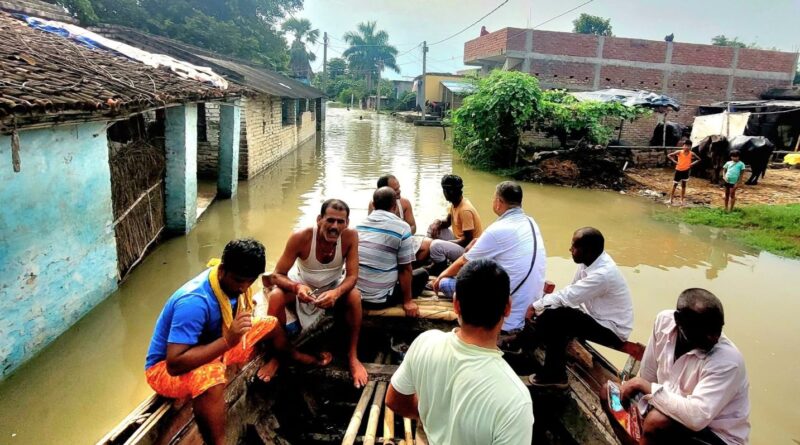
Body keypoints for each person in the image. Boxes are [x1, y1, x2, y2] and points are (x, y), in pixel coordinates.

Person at [386, 259, 534, 445]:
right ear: (507, 308)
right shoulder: (515, 399)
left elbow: (394, 400)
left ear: (456, 304)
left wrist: (430, 414)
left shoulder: (426, 342)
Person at [144, 239, 277, 445]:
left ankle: (291, 357)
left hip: (213, 347)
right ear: (222, 270)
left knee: (270, 324)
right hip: (163, 371)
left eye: (249, 281)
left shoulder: (233, 288)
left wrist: (229, 339)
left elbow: (239, 317)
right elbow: (175, 364)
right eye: (239, 280)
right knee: (211, 375)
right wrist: (228, 340)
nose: (244, 288)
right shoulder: (194, 302)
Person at [621, 289, 750, 445]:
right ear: (678, 319)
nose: (714, 338)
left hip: (716, 436)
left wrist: (644, 386)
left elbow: (696, 417)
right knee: (608, 395)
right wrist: (638, 402)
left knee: (657, 422)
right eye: (705, 330)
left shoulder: (728, 361)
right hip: (673, 414)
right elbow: (649, 374)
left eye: (718, 329)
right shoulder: (664, 322)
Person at [267, 199, 368, 388]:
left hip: (332, 287)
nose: (335, 226)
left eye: (340, 222)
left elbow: (353, 276)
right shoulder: (301, 237)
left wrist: (336, 293)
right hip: (303, 287)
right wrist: (297, 288)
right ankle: (277, 355)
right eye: (330, 220)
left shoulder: (351, 237)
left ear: (347, 223)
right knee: (275, 297)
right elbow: (276, 275)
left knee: (354, 296)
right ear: (319, 219)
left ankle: (353, 357)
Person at [432, 181, 546, 337]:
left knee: (446, 283)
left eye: (494, 198)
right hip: (528, 303)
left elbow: (464, 262)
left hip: (507, 314)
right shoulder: (531, 222)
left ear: (499, 203)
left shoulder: (498, 229)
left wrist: (440, 276)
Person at [526, 227, 633, 387]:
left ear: (588, 251)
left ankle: (554, 374)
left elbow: (568, 296)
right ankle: (527, 346)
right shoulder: (589, 262)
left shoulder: (602, 275)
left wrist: (535, 306)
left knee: (558, 316)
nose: (570, 249)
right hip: (594, 316)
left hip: (611, 329)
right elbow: (572, 291)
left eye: (575, 247)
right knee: (554, 312)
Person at [358, 187, 426, 317]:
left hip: (357, 296)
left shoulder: (359, 225)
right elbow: (405, 269)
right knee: (422, 274)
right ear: (395, 207)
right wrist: (408, 302)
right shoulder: (402, 227)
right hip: (380, 300)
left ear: (373, 205)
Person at [417, 174, 483, 275]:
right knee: (433, 229)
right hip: (461, 241)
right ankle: (432, 257)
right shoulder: (456, 203)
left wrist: (445, 242)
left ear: (448, 192)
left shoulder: (465, 210)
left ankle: (440, 267)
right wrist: (436, 222)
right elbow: (447, 222)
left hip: (470, 251)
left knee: (436, 245)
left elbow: (467, 240)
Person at [667, 139, 700, 206]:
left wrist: (691, 164)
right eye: (685, 145)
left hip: (686, 171)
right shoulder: (679, 152)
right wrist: (674, 161)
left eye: (689, 146)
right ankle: (671, 199)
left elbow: (698, 159)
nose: (687, 147)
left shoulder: (691, 153)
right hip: (678, 170)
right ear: (683, 146)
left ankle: (681, 200)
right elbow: (669, 155)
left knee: (684, 185)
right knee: (675, 185)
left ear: (690, 147)